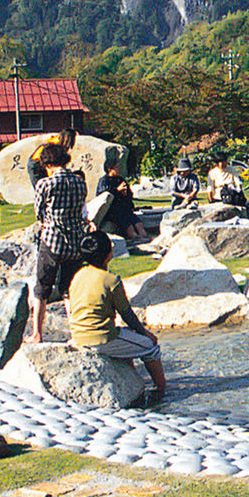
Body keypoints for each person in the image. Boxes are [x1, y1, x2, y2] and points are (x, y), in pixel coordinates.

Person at [68, 229, 165, 397]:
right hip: (101, 337)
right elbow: (127, 314)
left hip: (78, 335)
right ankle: (161, 389)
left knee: (128, 341)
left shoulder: (78, 275)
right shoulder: (111, 280)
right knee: (149, 347)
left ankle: (133, 385)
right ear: (108, 255)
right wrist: (146, 334)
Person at [31, 142, 87, 343]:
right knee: (69, 289)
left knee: (42, 288)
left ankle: (37, 333)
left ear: (47, 164)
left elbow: (39, 212)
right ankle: (76, 332)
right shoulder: (80, 182)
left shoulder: (45, 184)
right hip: (75, 242)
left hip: (52, 241)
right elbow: (81, 209)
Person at [94, 161, 144, 242]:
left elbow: (129, 194)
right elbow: (103, 195)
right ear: (109, 169)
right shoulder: (104, 181)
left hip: (123, 207)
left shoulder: (120, 179)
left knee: (137, 221)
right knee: (126, 223)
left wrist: (126, 194)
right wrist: (117, 190)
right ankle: (134, 237)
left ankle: (143, 235)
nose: (118, 169)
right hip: (112, 209)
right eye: (116, 167)